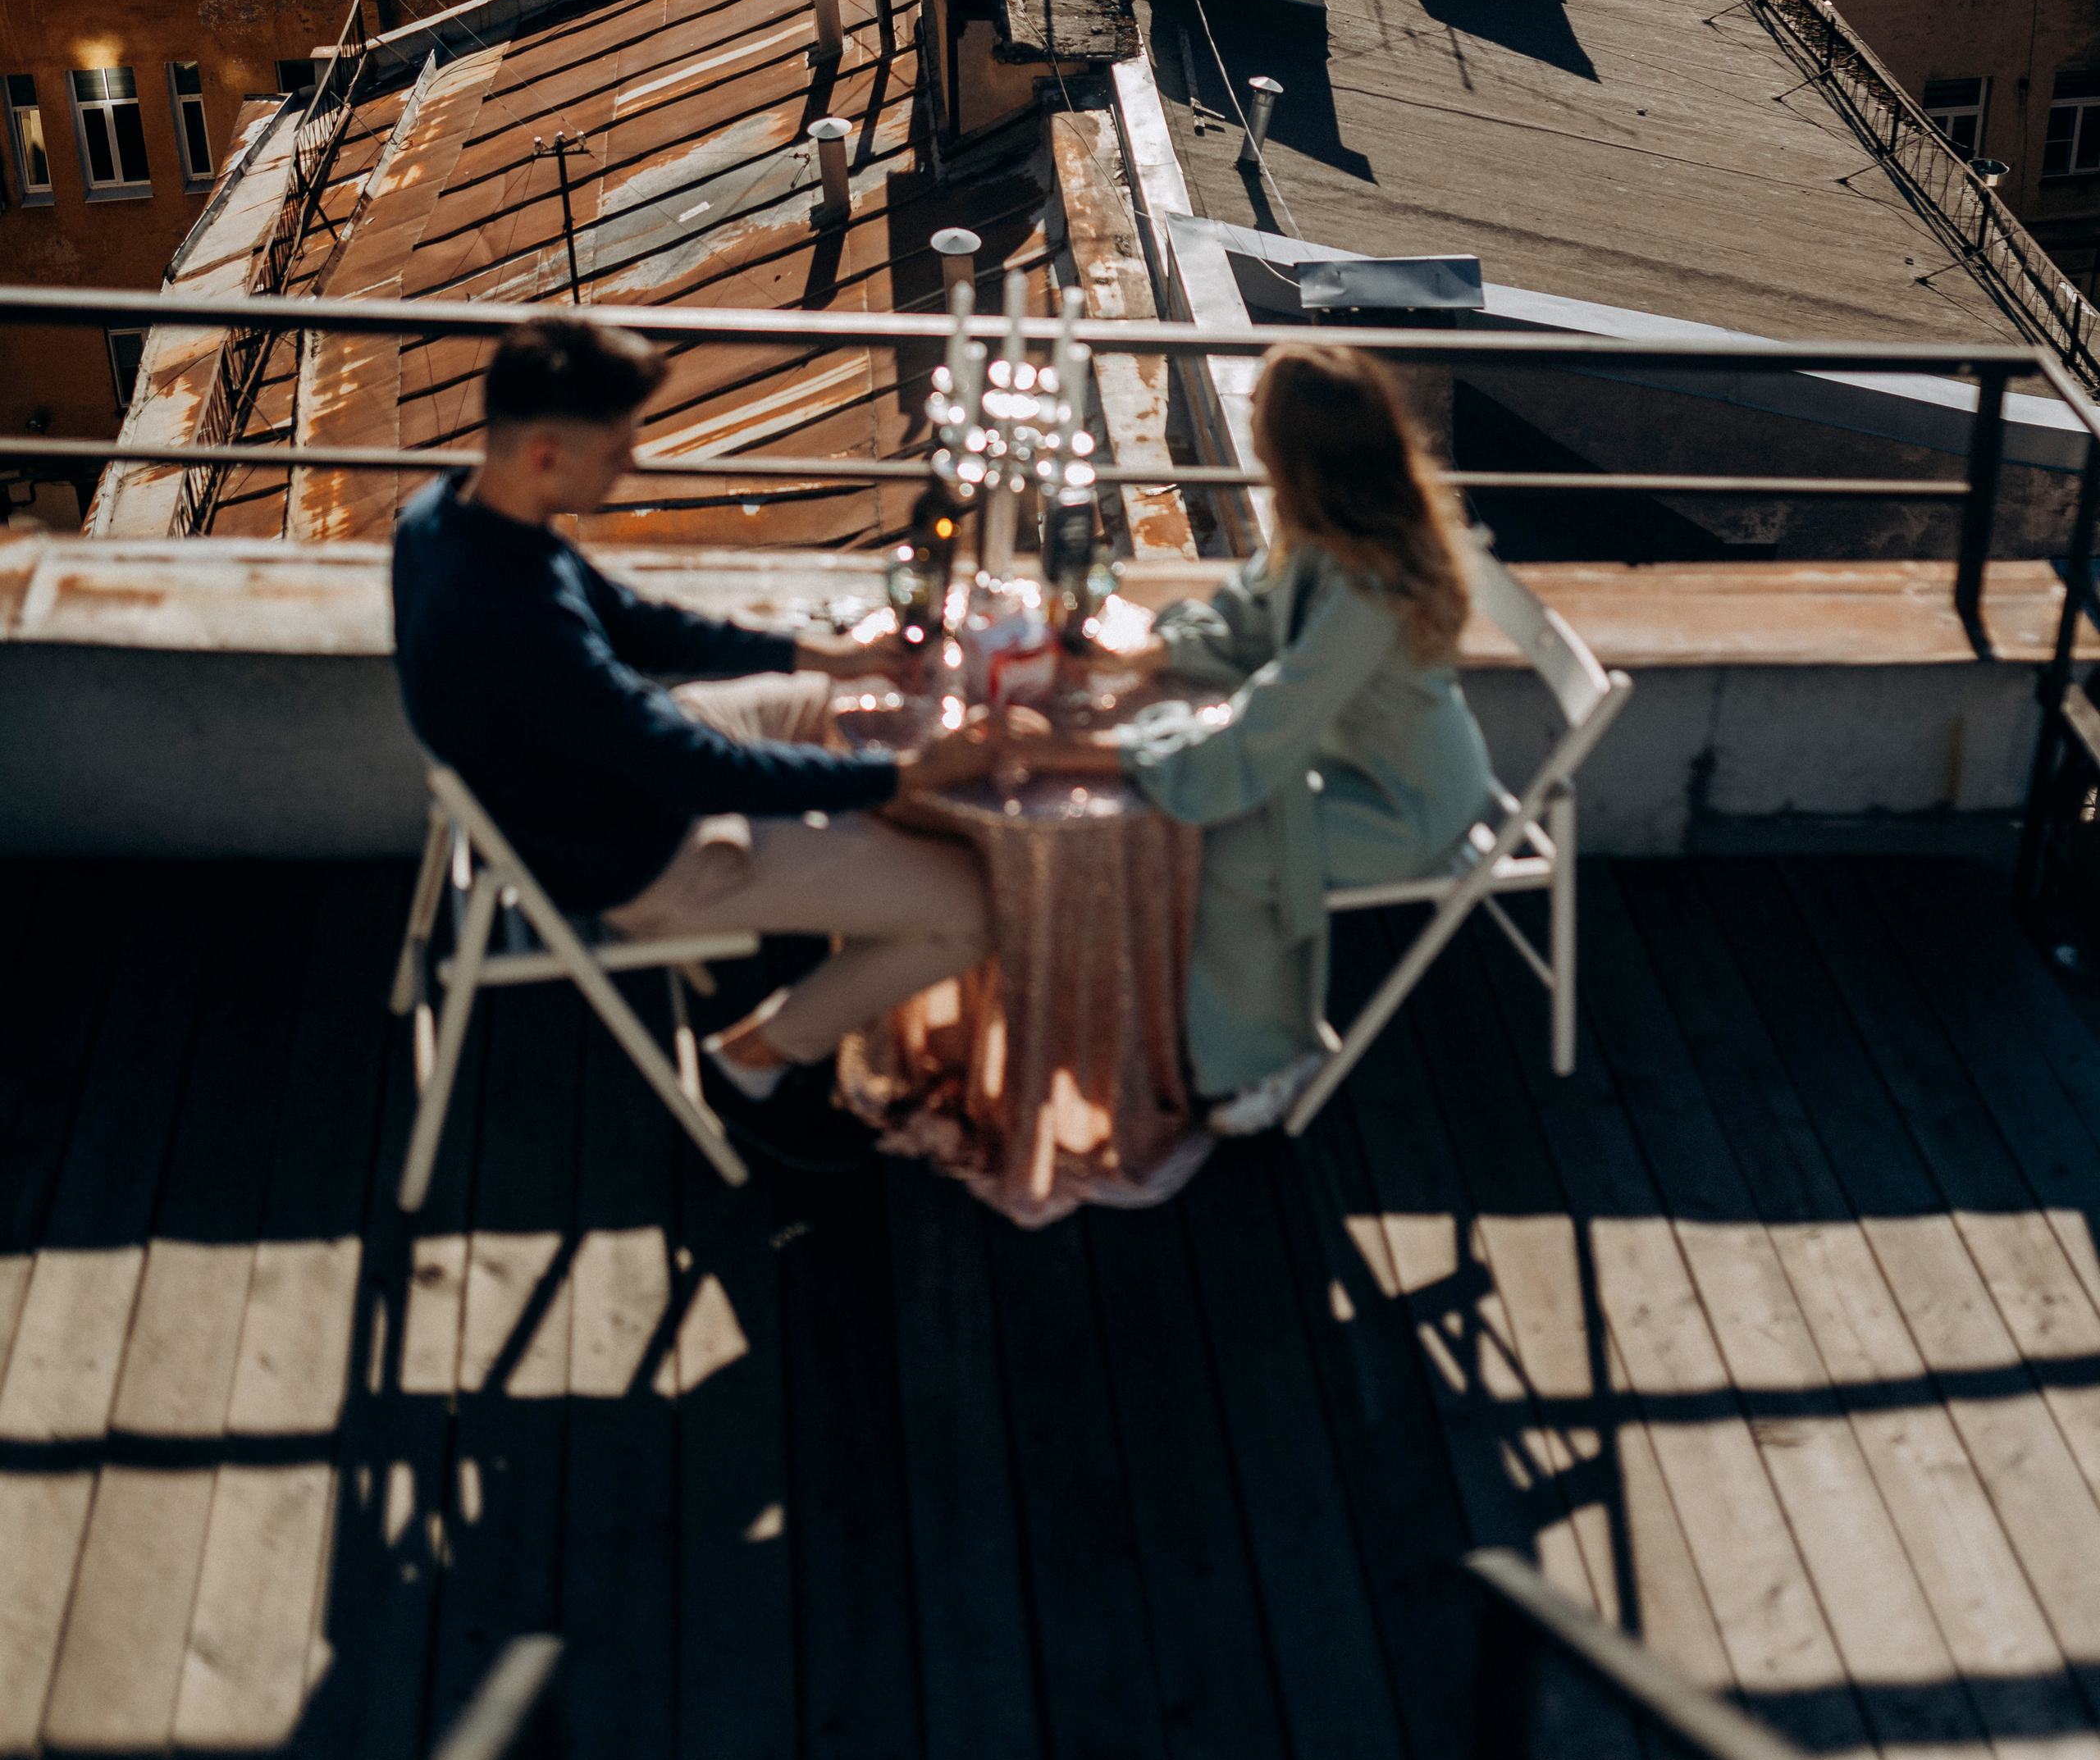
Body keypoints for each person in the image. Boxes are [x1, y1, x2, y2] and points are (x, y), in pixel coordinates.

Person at [390, 316, 994, 1150]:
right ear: (543, 454)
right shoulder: (516, 622)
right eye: (616, 450)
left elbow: (636, 625)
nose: (632, 462)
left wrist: (816, 654)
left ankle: (863, 892)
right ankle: (753, 1057)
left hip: (625, 767)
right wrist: (903, 780)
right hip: (654, 855)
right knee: (973, 908)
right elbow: (705, 775)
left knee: (836, 702)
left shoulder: (442, 512)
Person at [1041, 345, 1495, 1136]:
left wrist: (1084, 753)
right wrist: (1155, 652)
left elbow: (1269, 724)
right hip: (1366, 762)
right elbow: (1251, 616)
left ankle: (1271, 1054)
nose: (1248, 425)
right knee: (1208, 803)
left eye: (1260, 418)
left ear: (1299, 453)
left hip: (1407, 807)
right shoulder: (1330, 530)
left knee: (1232, 851)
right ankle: (1204, 1013)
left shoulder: (1368, 587)